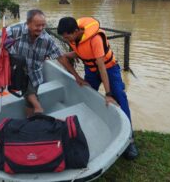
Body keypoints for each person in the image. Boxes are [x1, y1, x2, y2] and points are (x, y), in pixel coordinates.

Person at [57, 16, 138, 160]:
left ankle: (129, 139)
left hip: (109, 69)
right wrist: (76, 73)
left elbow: (102, 66)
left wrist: (108, 93)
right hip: (91, 70)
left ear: (76, 31)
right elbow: (82, 51)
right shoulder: (75, 38)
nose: (67, 39)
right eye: (64, 37)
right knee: (86, 95)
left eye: (68, 36)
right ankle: (89, 128)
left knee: (120, 96)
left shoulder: (95, 39)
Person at [6, 9, 87, 116]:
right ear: (28, 23)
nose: (40, 28)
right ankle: (37, 108)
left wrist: (76, 76)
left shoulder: (47, 39)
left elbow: (61, 58)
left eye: (43, 25)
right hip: (17, 70)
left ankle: (30, 118)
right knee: (31, 96)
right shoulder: (17, 30)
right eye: (37, 25)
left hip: (35, 74)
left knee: (29, 102)